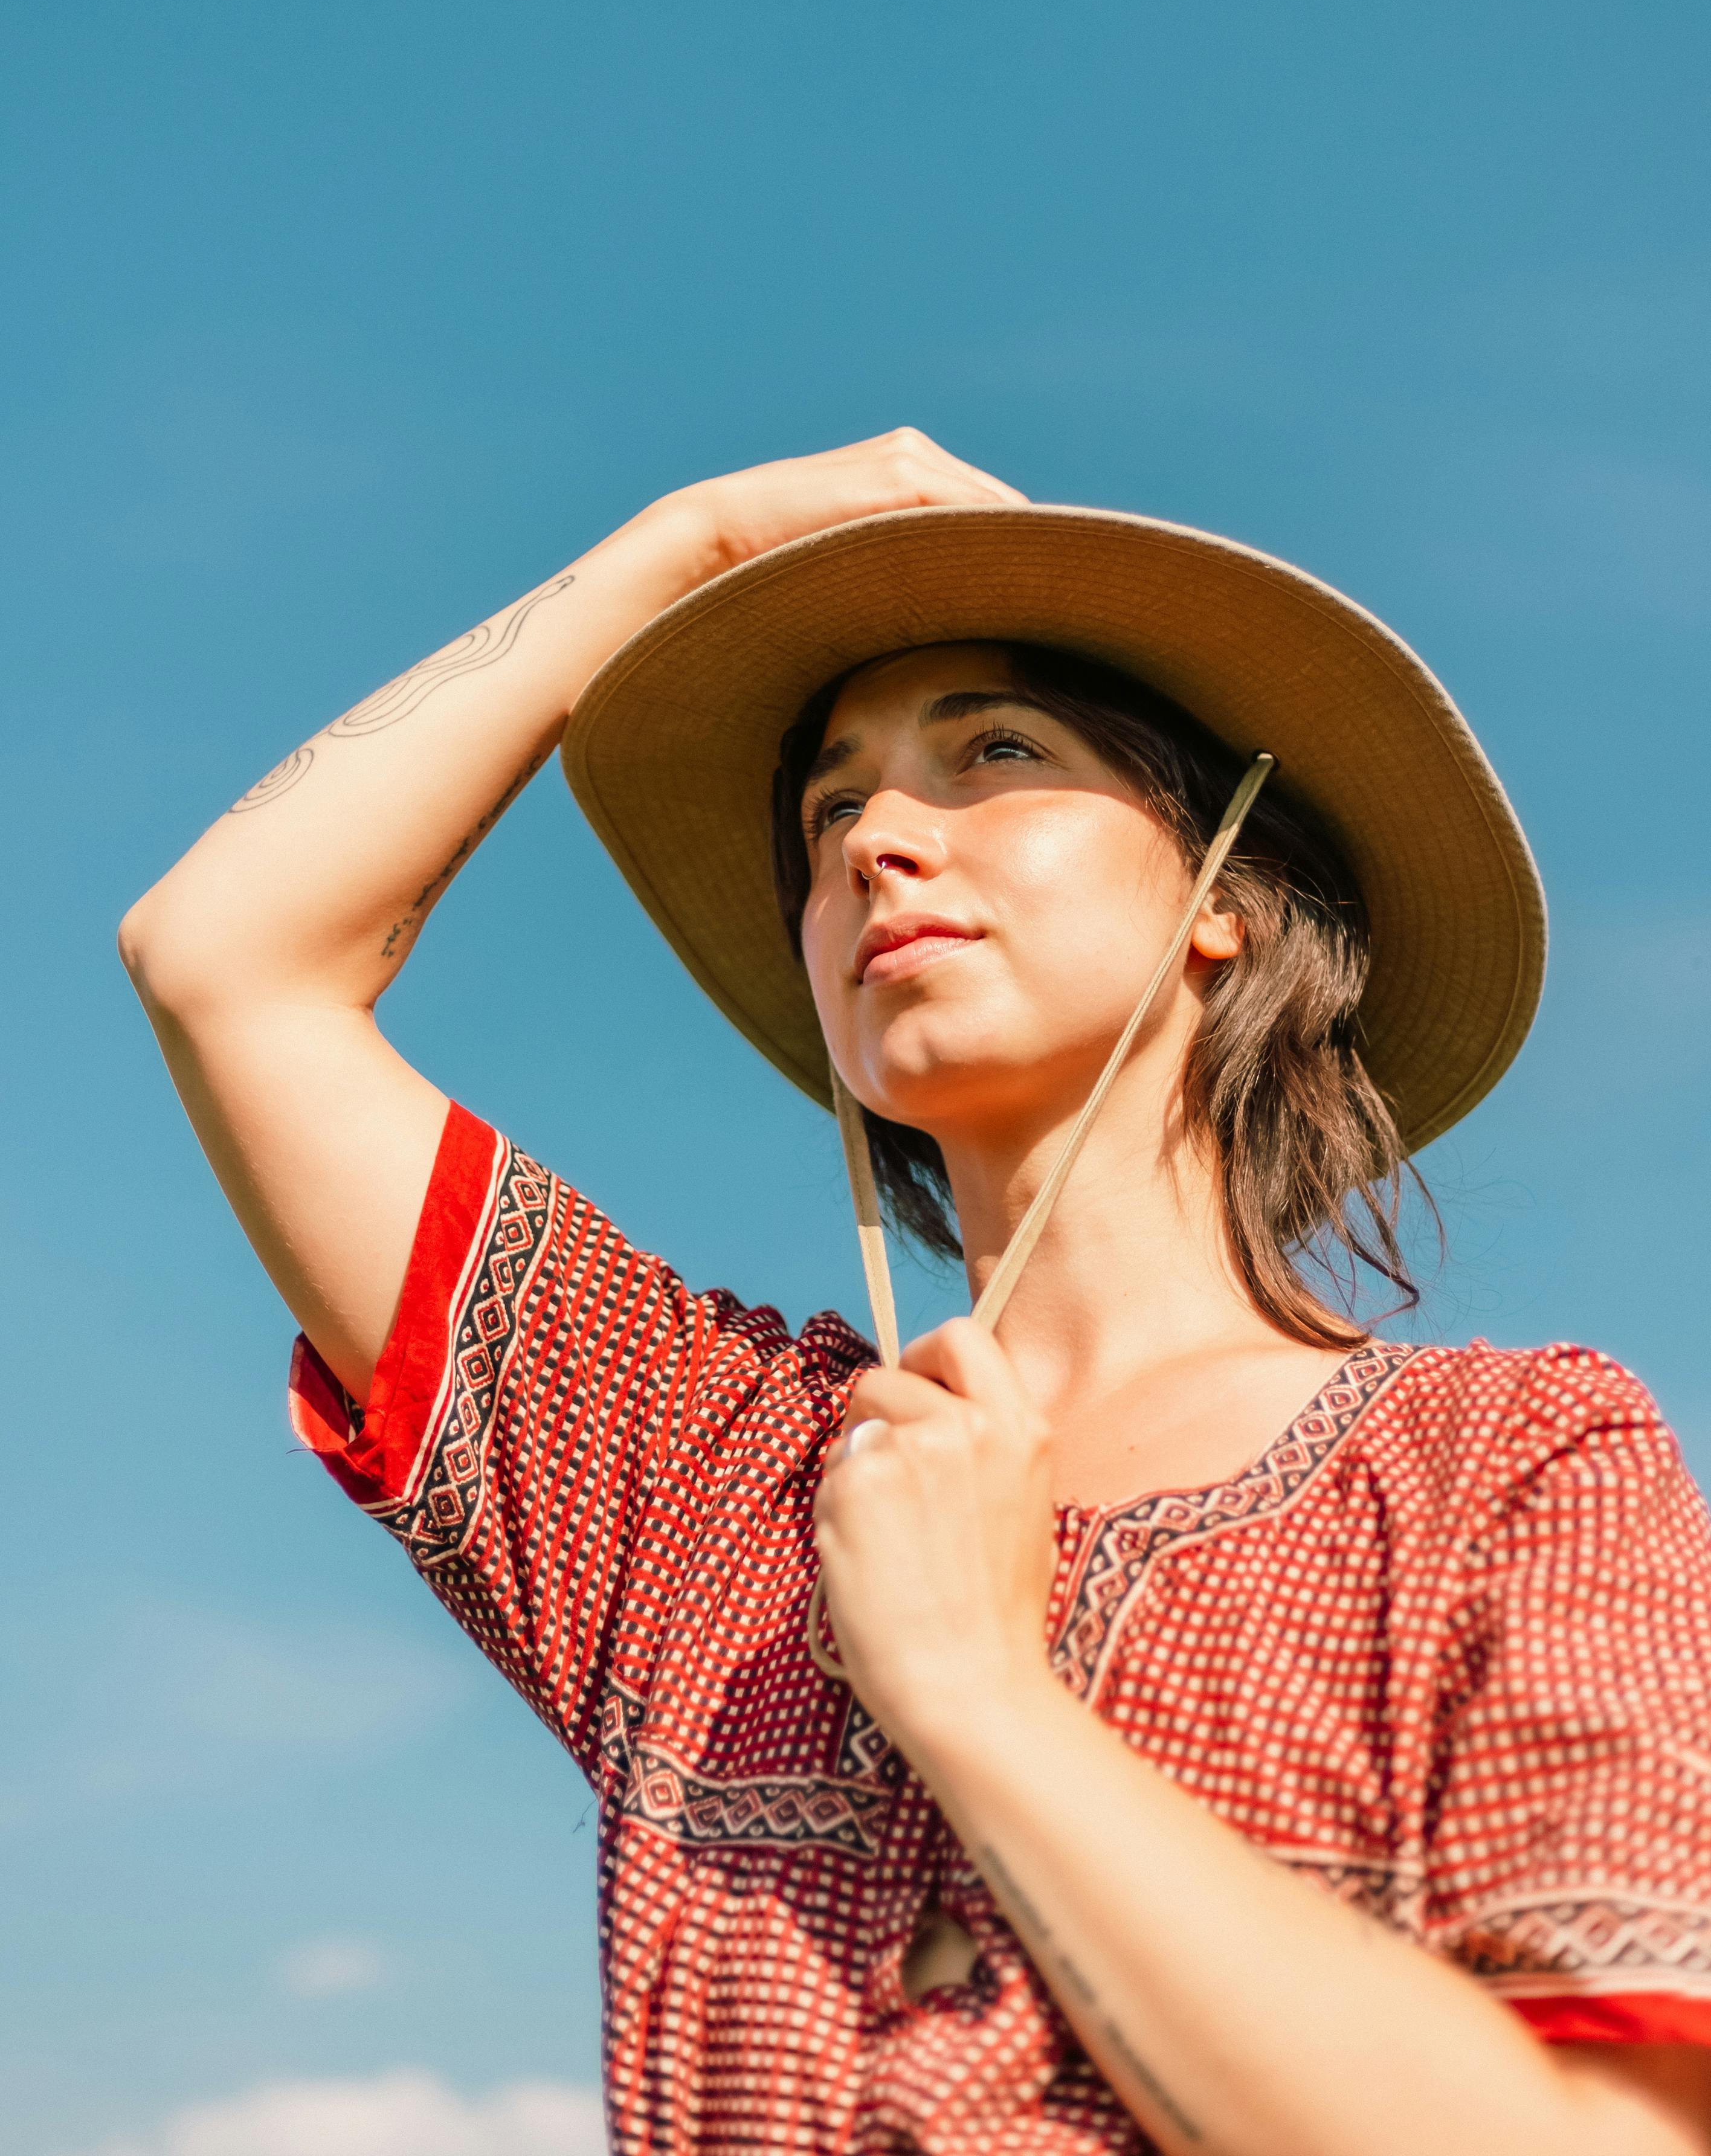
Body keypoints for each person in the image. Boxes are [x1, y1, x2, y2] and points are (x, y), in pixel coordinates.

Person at [120, 431, 1711, 2156]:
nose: (877, 839)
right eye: (830, 806)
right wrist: (688, 536)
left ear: (1224, 897)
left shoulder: (1510, 1469)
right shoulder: (689, 1465)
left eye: (995, 753)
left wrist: (975, 1695)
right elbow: (229, 962)